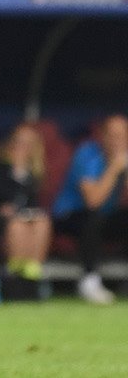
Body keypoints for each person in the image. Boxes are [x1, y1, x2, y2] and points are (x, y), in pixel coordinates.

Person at [53, 114, 128, 305]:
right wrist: (114, 168)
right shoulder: (86, 154)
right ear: (102, 136)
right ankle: (90, 280)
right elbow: (93, 201)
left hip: (105, 216)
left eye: (122, 136)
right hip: (70, 216)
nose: (117, 141)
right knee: (93, 218)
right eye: (113, 135)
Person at [0, 121, 50, 287]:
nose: (22, 147)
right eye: (19, 142)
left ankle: (33, 271)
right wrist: (15, 170)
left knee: (41, 223)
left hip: (25, 215)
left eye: (28, 144)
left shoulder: (34, 171)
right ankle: (16, 273)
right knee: (17, 225)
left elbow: (32, 200)